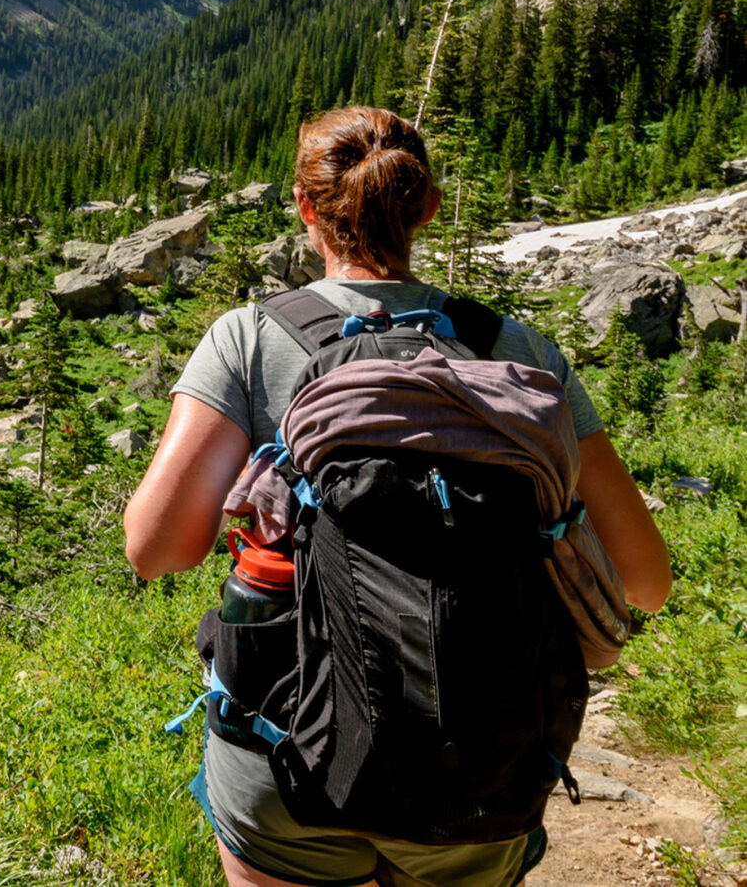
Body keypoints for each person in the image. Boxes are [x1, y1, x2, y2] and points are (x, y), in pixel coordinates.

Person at [124, 105, 671, 887]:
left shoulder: (249, 337)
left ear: (306, 207)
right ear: (427, 207)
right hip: (483, 770)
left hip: (285, 757)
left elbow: (154, 549)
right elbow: (645, 580)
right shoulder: (517, 353)